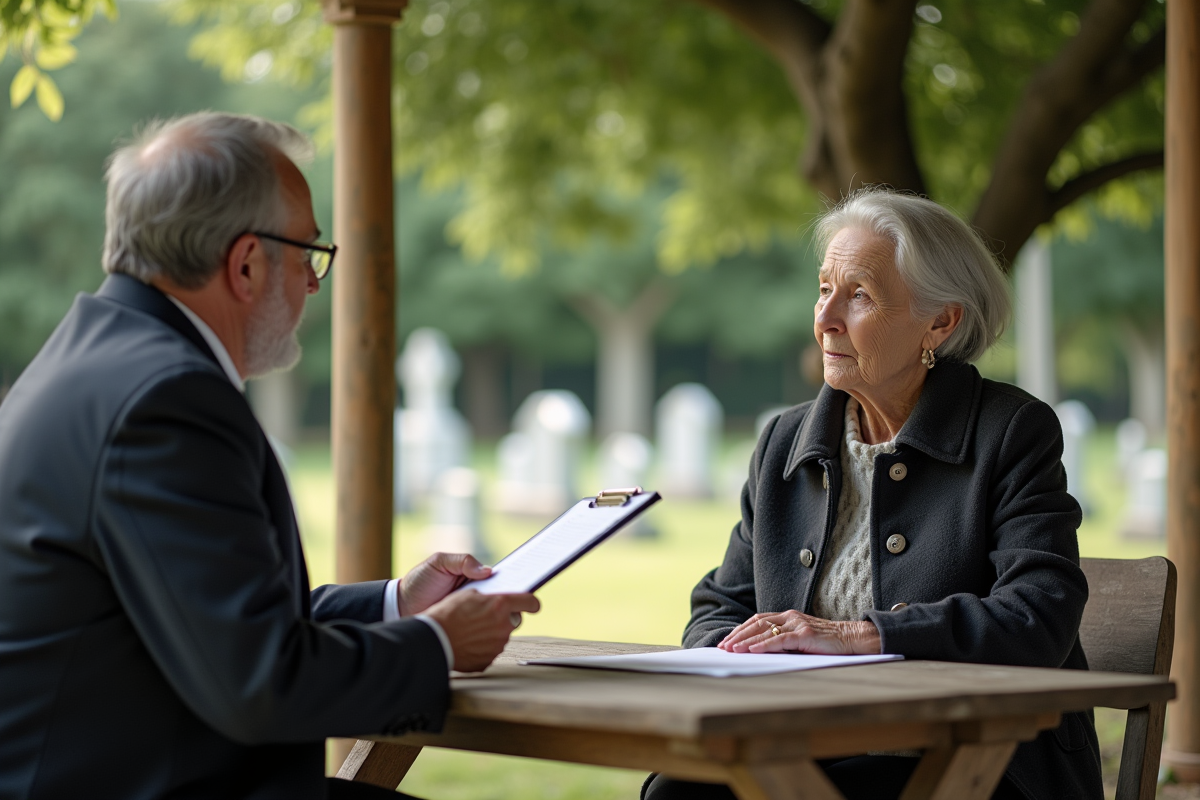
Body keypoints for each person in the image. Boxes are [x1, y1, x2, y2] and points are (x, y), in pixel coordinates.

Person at [0, 112, 538, 800]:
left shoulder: (91, 363)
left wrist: (395, 603)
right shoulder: (167, 399)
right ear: (248, 263)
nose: (313, 283)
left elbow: (209, 619)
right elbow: (256, 684)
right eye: (308, 251)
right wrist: (438, 644)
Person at [643, 188, 1102, 800]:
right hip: (803, 747)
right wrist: (742, 651)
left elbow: (1038, 613)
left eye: (859, 294)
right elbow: (720, 605)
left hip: (975, 764)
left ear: (941, 321)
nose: (826, 318)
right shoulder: (785, 442)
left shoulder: (1011, 431)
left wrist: (858, 636)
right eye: (823, 289)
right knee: (679, 790)